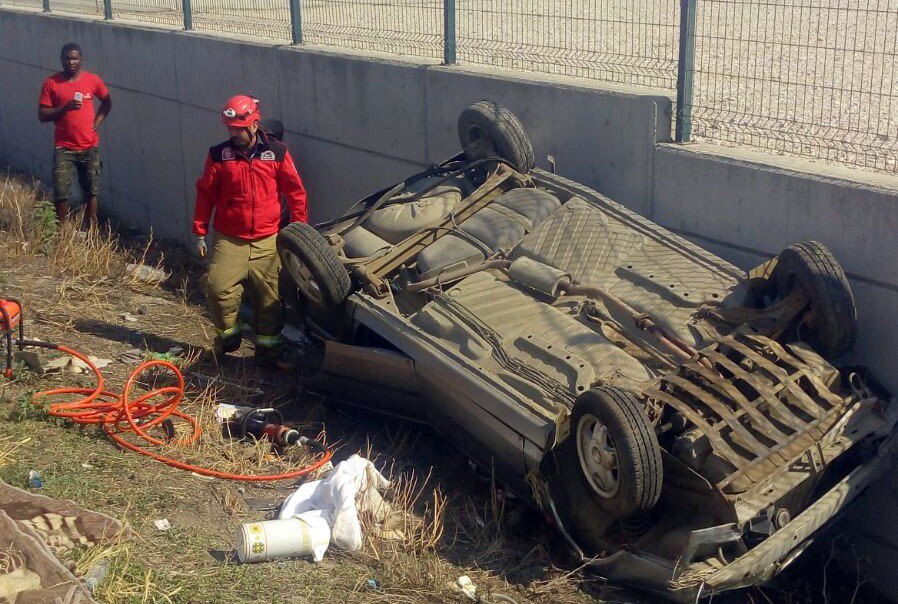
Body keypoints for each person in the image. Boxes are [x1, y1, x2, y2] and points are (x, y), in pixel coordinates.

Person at [193, 95, 308, 368]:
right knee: (218, 288)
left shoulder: (277, 153)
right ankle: (229, 339)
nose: (233, 133)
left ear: (254, 125)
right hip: (229, 240)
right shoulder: (219, 155)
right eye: (229, 128)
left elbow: (296, 192)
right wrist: (199, 231)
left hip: (268, 240)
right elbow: (205, 194)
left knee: (269, 302)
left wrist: (299, 232)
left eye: (237, 128)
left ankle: (269, 354)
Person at [38, 42, 112, 228]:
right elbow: (42, 115)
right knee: (61, 191)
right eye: (67, 58)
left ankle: (91, 229)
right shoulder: (52, 83)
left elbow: (107, 102)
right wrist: (64, 109)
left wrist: (96, 123)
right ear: (61, 60)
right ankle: (62, 231)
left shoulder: (92, 80)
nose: (70, 62)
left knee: (90, 191)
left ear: (81, 60)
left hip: (89, 146)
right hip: (64, 147)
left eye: (74, 58)